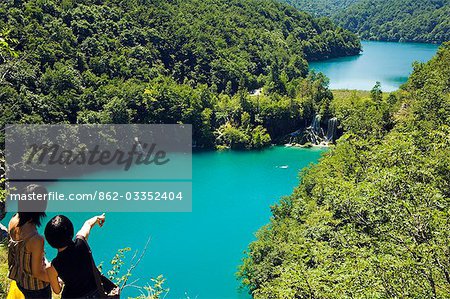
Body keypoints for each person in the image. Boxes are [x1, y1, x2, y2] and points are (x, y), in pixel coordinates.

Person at [44, 214, 105, 298]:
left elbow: (57, 290)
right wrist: (97, 218)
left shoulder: (52, 267)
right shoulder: (81, 242)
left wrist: (60, 280)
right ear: (71, 231)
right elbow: (88, 224)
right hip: (96, 293)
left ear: (50, 242)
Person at [8, 184, 51, 298]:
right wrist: (53, 279)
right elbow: (37, 273)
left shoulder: (13, 221)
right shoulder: (36, 239)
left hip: (21, 280)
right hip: (36, 288)